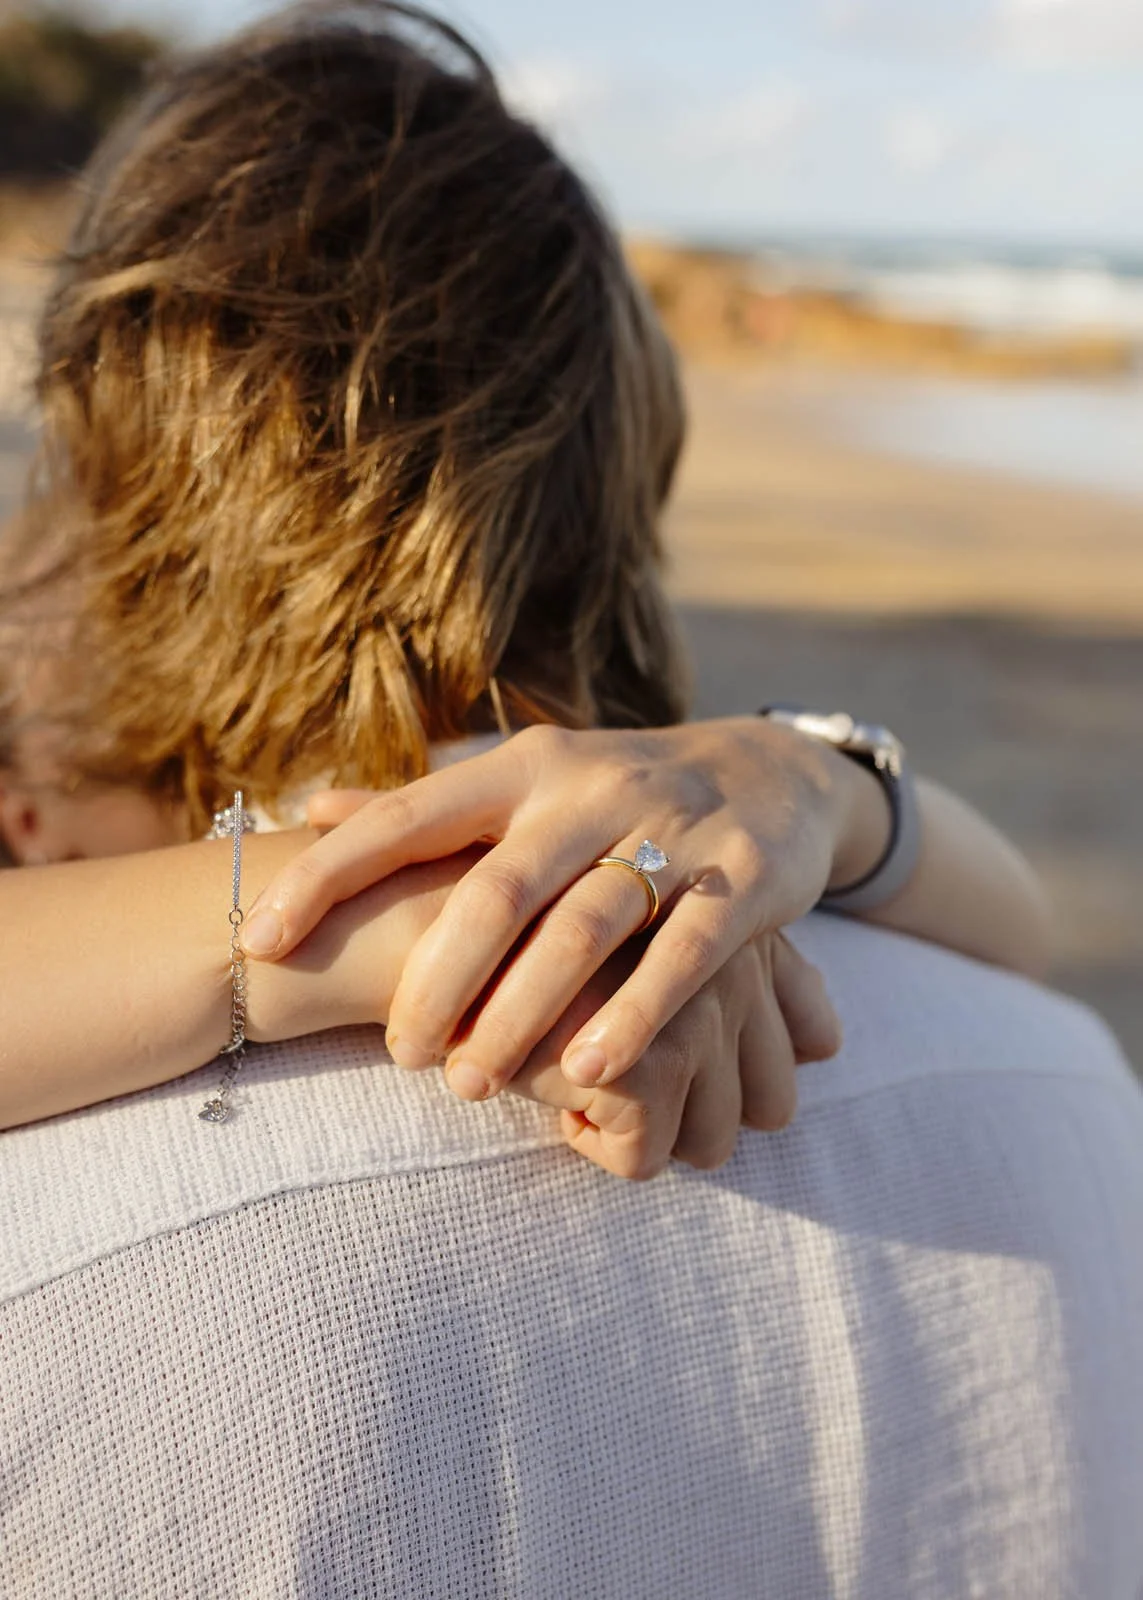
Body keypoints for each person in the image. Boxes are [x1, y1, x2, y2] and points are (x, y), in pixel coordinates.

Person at [4, 9, 1143, 1591]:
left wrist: (350, 911)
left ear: (131, 497)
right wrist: (829, 782)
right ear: (622, 473)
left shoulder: (55, 1263)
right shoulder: (1069, 1086)